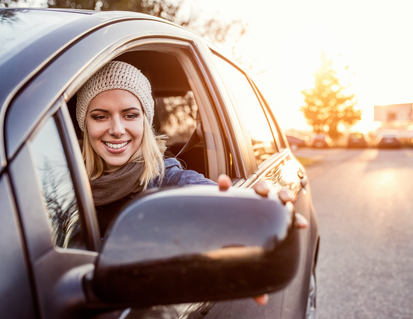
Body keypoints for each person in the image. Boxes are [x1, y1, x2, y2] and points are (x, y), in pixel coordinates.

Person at [76, 61, 307, 305]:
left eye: (130, 115)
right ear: (84, 124)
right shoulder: (58, 181)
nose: (117, 129)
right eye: (100, 116)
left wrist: (258, 219)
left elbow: (222, 218)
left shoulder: (172, 181)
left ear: (146, 120)